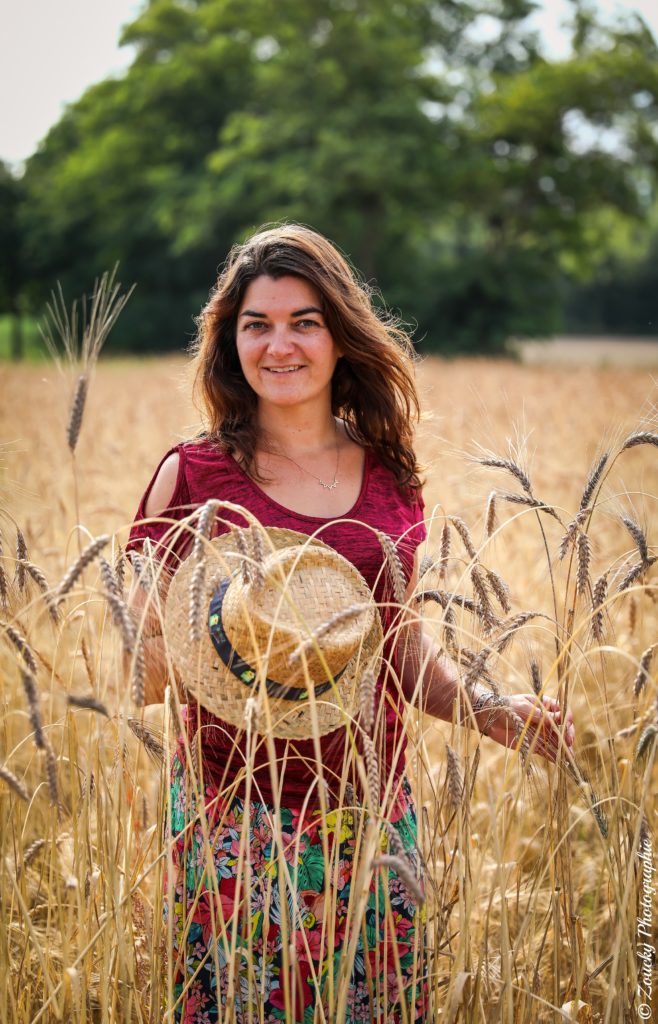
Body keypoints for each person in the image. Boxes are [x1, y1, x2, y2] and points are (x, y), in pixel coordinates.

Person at [126, 223, 575, 1023]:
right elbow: (143, 674)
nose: (280, 345)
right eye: (256, 324)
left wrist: (496, 712)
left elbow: (399, 649)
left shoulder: (390, 477)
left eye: (304, 321)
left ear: (340, 335)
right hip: (236, 816)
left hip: (370, 812)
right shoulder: (191, 476)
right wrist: (207, 634)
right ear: (230, 342)